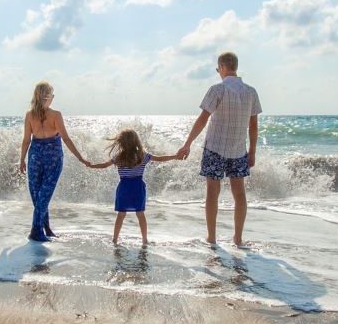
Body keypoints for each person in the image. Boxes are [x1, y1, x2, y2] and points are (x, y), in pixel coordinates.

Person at [176, 52, 262, 246]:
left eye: (217, 69)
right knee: (239, 194)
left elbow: (202, 119)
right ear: (235, 67)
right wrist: (253, 151)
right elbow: (254, 126)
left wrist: (187, 143)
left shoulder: (217, 90)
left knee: (212, 193)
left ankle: (212, 238)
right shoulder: (251, 92)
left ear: (222, 67)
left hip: (214, 148)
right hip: (239, 150)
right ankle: (238, 239)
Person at [85, 129, 181, 245]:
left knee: (121, 215)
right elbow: (160, 158)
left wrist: (91, 166)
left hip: (124, 188)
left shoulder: (118, 157)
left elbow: (104, 165)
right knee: (140, 214)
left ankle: (115, 239)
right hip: (137, 188)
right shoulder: (142, 156)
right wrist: (175, 156)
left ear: (121, 143)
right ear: (136, 141)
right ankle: (145, 240)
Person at [19, 82, 87, 242]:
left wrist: (22, 159)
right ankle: (36, 231)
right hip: (52, 157)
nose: (53, 98)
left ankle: (46, 228)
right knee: (42, 195)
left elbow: (26, 141)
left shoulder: (30, 115)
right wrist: (80, 158)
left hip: (35, 155)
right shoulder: (55, 115)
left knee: (39, 195)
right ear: (47, 97)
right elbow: (66, 138)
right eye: (52, 95)